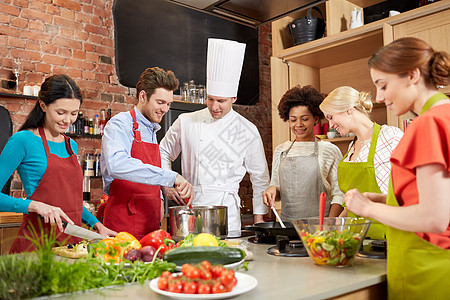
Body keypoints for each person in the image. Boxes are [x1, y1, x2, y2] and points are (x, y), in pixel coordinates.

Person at [345, 37, 450, 299]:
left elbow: (434, 219)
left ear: (412, 75)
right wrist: (386, 199)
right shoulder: (445, 115)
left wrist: (368, 208)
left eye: (383, 85)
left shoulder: (428, 124)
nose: (379, 98)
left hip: (425, 268)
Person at [159, 38, 270, 237]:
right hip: (191, 211)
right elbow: (162, 152)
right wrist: (167, 184)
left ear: (233, 99)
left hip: (227, 213)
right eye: (210, 99)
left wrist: (259, 221)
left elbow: (260, 178)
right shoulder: (186, 121)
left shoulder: (248, 130)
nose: (214, 106)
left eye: (221, 101)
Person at [0, 75, 117, 253]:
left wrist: (97, 225)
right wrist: (33, 205)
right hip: (36, 248)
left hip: (72, 247)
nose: (68, 120)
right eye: (60, 112)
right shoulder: (23, 140)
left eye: (74, 113)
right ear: (43, 105)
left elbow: (71, 203)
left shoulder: (71, 145)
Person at [101, 67, 192, 240]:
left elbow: (147, 170)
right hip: (122, 224)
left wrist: (160, 197)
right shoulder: (120, 124)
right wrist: (171, 177)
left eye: (168, 104)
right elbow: (117, 164)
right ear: (143, 96)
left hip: (149, 223)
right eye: (160, 102)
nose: (165, 109)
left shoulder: (151, 130)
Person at [320, 86, 403, 240]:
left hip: (387, 238)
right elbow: (352, 202)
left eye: (331, 117)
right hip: (356, 239)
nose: (330, 125)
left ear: (348, 109)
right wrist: (335, 224)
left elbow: (406, 194)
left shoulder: (390, 137)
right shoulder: (351, 148)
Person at [263, 85, 344, 221]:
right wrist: (271, 191)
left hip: (319, 228)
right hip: (287, 226)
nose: (298, 124)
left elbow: (339, 194)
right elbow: (276, 186)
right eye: (293, 120)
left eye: (305, 119)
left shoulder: (329, 150)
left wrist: (328, 225)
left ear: (316, 119)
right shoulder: (281, 151)